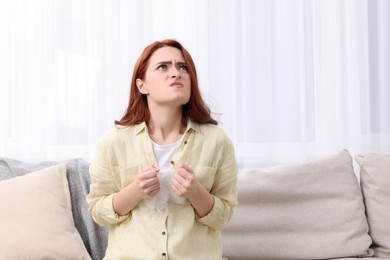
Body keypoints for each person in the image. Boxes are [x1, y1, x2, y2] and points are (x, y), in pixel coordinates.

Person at [86, 39, 238, 260]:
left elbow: (223, 217)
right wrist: (135, 191)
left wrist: (196, 192)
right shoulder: (113, 142)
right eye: (163, 67)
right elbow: (98, 212)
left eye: (183, 67)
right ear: (142, 85)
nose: (176, 73)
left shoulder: (217, 142)